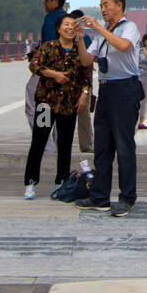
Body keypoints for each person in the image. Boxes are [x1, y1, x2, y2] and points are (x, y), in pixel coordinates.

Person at [73, 0, 142, 216]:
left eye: (106, 4)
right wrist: (80, 39)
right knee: (102, 146)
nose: (102, 9)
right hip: (106, 89)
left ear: (119, 5)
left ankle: (127, 197)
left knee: (124, 146)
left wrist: (99, 28)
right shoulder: (102, 34)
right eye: (100, 5)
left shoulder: (128, 27)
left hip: (125, 89)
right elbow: (86, 60)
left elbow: (123, 46)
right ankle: (100, 196)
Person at [23, 13, 92, 199]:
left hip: (69, 105)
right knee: (39, 141)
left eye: (73, 25)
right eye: (66, 24)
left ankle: (61, 181)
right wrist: (54, 75)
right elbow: (35, 66)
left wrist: (84, 95)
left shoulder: (80, 51)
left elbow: (86, 76)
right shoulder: (48, 47)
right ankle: (30, 182)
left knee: (65, 143)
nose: (69, 28)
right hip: (46, 103)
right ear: (59, 28)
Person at [68, 9, 95, 152]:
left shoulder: (87, 38)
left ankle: (86, 143)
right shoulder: (65, 37)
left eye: (80, 22)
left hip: (84, 79)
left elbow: (89, 58)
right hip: (68, 79)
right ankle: (61, 142)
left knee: (84, 111)